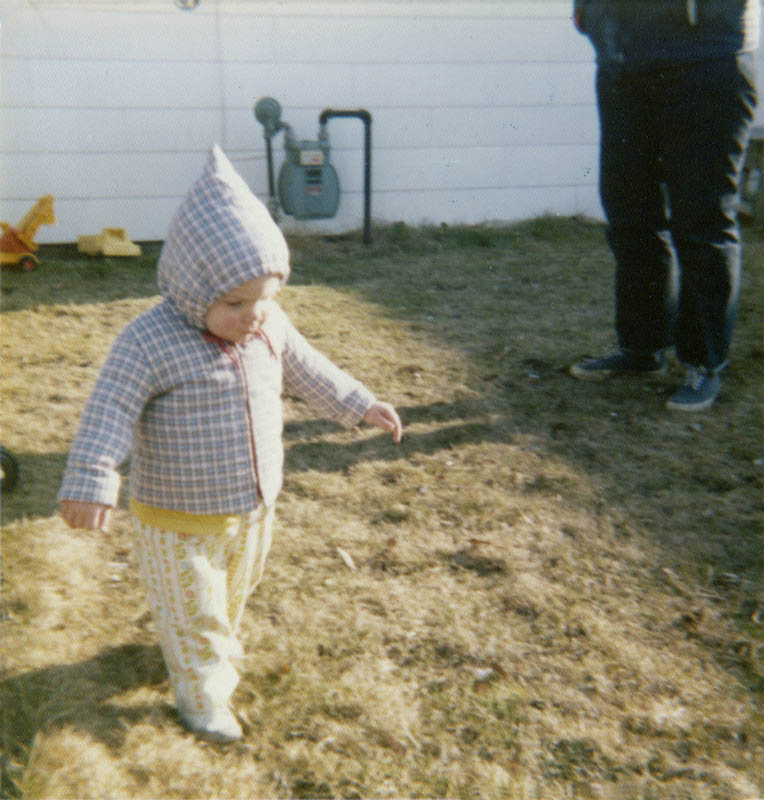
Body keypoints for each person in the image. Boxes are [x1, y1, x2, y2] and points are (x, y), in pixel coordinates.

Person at [58, 146, 403, 743]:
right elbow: (108, 409)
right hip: (177, 515)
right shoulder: (150, 341)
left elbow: (307, 368)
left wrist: (357, 403)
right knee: (197, 613)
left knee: (227, 600)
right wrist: (93, 479)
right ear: (192, 290)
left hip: (251, 505)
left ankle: (199, 651)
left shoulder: (268, 323)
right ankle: (203, 698)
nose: (253, 315)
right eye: (235, 303)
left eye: (265, 297)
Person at [570, 0, 760, 410]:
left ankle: (703, 363)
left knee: (702, 217)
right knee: (630, 213)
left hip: (706, 60)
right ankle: (642, 349)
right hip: (624, 65)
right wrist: (588, 13)